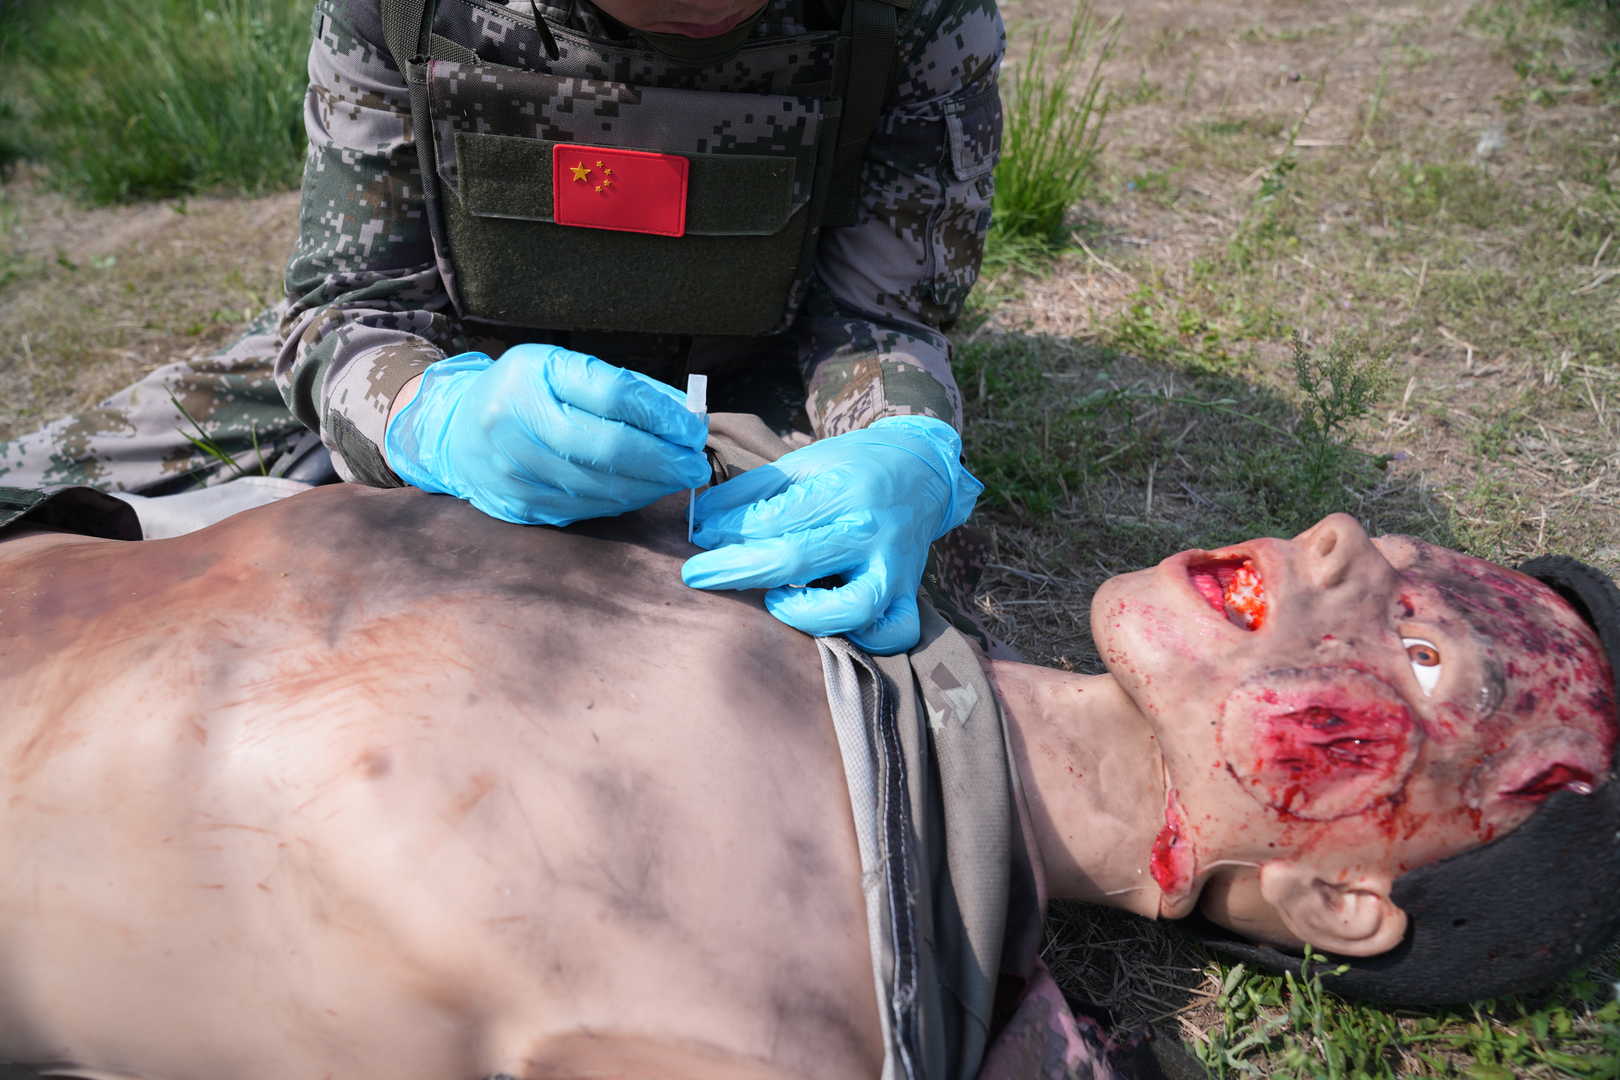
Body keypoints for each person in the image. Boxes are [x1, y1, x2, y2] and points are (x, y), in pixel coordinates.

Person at [2, 445, 1615, 1078]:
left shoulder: (784, 1015)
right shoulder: (785, 507)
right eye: (1400, 553)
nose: (1334, 539)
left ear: (1339, 902)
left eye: (1421, 657)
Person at [0, 0, 1002, 655]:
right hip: (446, 363)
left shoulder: (913, 18)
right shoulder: (402, 8)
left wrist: (900, 447)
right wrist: (429, 418)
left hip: (750, 381)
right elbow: (348, 309)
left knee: (853, 641)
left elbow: (875, 317)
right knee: (29, 494)